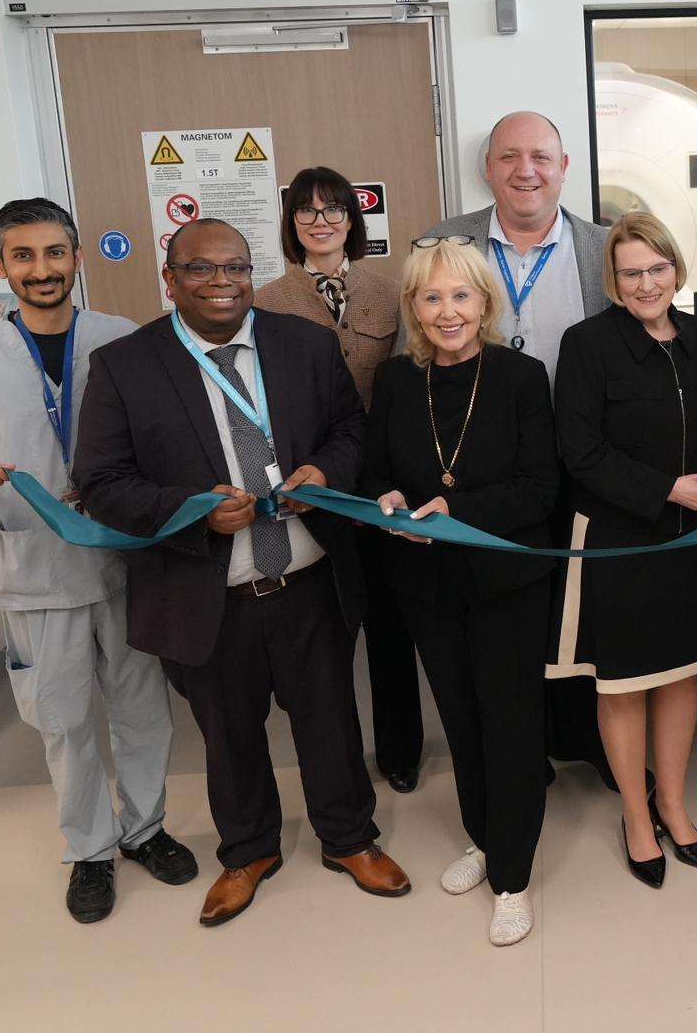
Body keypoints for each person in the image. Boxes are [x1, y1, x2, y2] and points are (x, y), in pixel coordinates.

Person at [74, 219, 410, 927]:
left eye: (235, 267)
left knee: (330, 719)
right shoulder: (126, 366)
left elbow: (350, 430)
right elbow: (101, 483)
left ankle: (350, 838)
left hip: (308, 577)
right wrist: (195, 513)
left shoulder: (305, 344)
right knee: (228, 734)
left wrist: (326, 471)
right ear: (170, 280)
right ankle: (248, 852)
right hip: (207, 591)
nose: (221, 281)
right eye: (200, 269)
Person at [0, 197, 196, 924]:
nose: (42, 270)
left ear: (76, 257)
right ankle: (90, 851)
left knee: (143, 712)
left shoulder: (122, 339)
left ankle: (145, 830)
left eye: (54, 253)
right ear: (0, 265)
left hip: (126, 564)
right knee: (64, 722)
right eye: (24, 256)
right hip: (36, 573)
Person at [362, 238, 557, 946]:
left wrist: (457, 512)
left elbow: (540, 487)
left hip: (507, 583)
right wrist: (386, 500)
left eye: (461, 296)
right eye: (432, 297)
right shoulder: (394, 380)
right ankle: (484, 837)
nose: (448, 312)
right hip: (427, 585)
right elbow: (374, 470)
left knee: (510, 727)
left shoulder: (521, 376)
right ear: (414, 307)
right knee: (462, 721)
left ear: (485, 302)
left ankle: (513, 876)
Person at [416, 110, 615, 787]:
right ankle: (521, 754)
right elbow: (419, 360)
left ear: (564, 167)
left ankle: (583, 740)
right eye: (508, 157)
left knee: (580, 612)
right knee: (509, 622)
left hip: (585, 467)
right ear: (487, 168)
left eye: (539, 156)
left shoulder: (603, 248)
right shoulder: (445, 243)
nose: (524, 170)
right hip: (491, 482)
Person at [550, 213, 697, 888]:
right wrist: (666, 489)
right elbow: (580, 452)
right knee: (625, 684)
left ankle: (673, 804)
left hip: (691, 539)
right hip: (620, 538)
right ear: (613, 279)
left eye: (657, 268)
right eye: (630, 273)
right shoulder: (587, 344)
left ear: (676, 269)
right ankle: (637, 815)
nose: (646, 284)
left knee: (684, 674)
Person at [254, 166, 423, 795]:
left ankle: (399, 749)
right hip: (314, 481)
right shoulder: (267, 300)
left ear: (353, 219)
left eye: (333, 209)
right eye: (306, 210)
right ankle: (337, 763)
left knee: (389, 621)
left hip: (383, 479)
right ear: (291, 223)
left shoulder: (391, 290)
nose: (320, 220)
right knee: (326, 632)